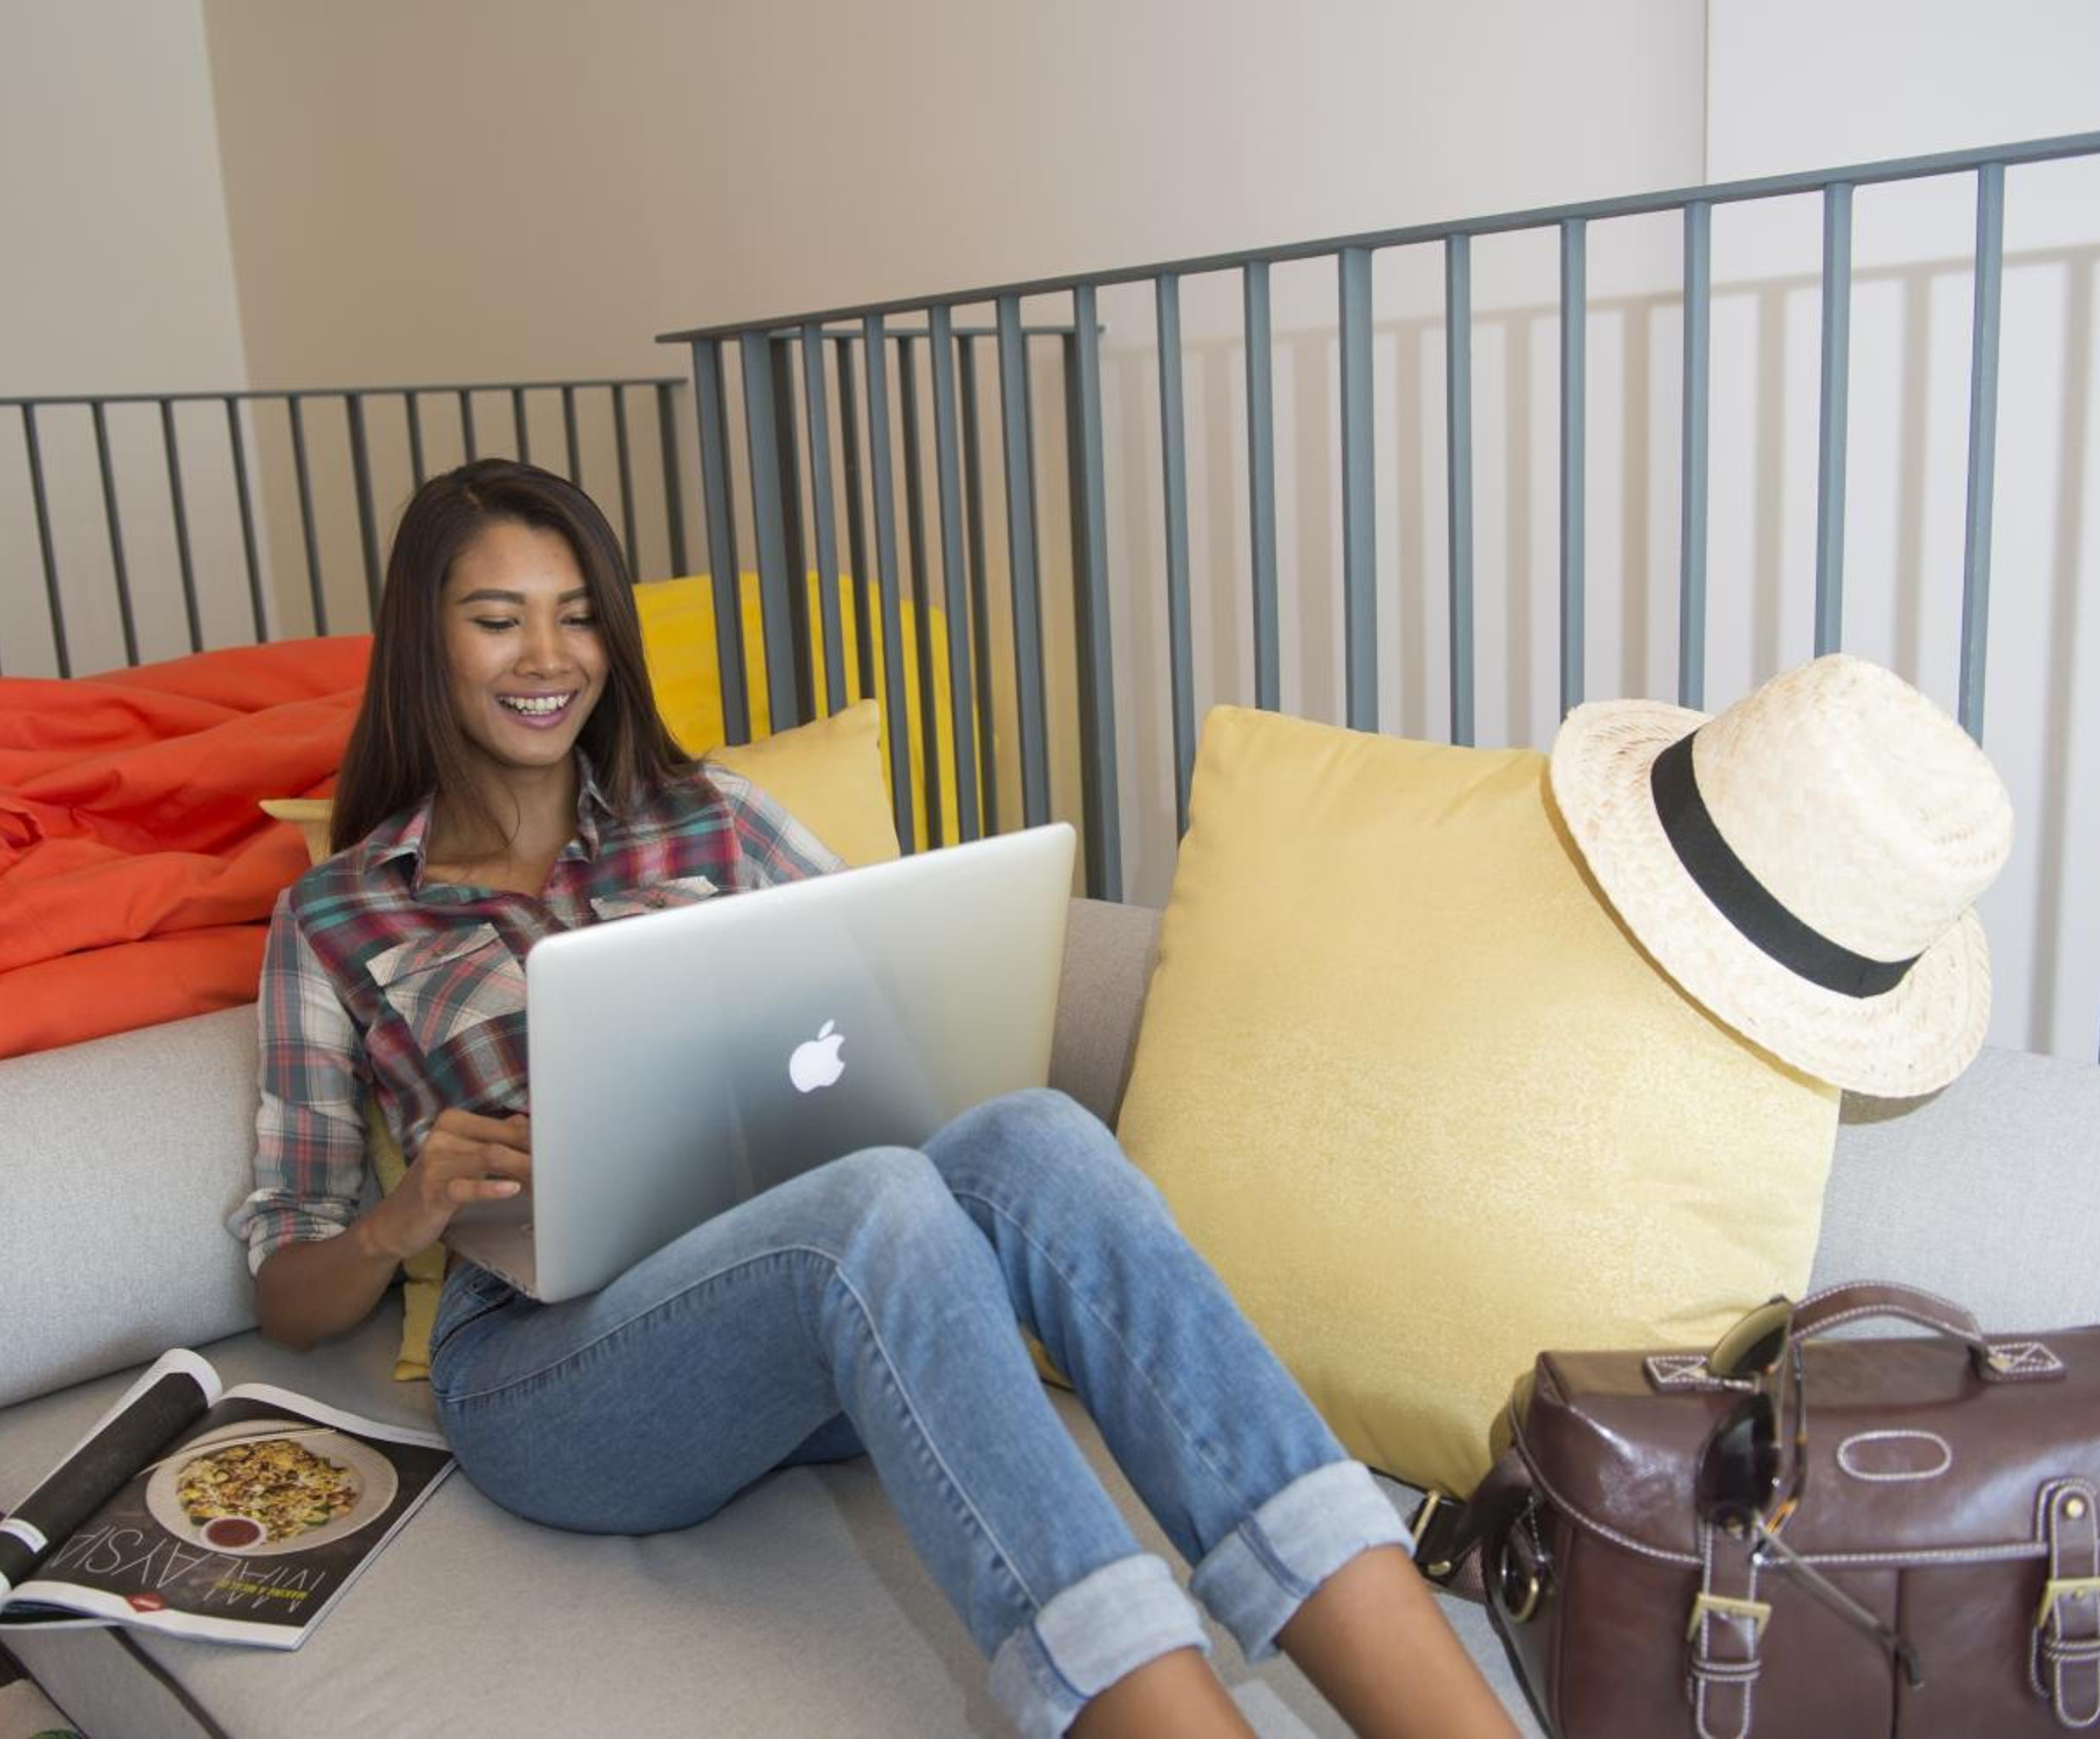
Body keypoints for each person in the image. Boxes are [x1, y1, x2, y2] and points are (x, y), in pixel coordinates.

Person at [231, 458, 1515, 1738]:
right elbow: (289, 1292)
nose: (547, 656)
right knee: (876, 1206)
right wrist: (400, 1219)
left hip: (822, 1322)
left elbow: (889, 1001)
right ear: (427, 641)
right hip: (548, 1368)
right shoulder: (338, 911)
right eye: (497, 618)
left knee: (1033, 1135)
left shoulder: (715, 820)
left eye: (576, 615)